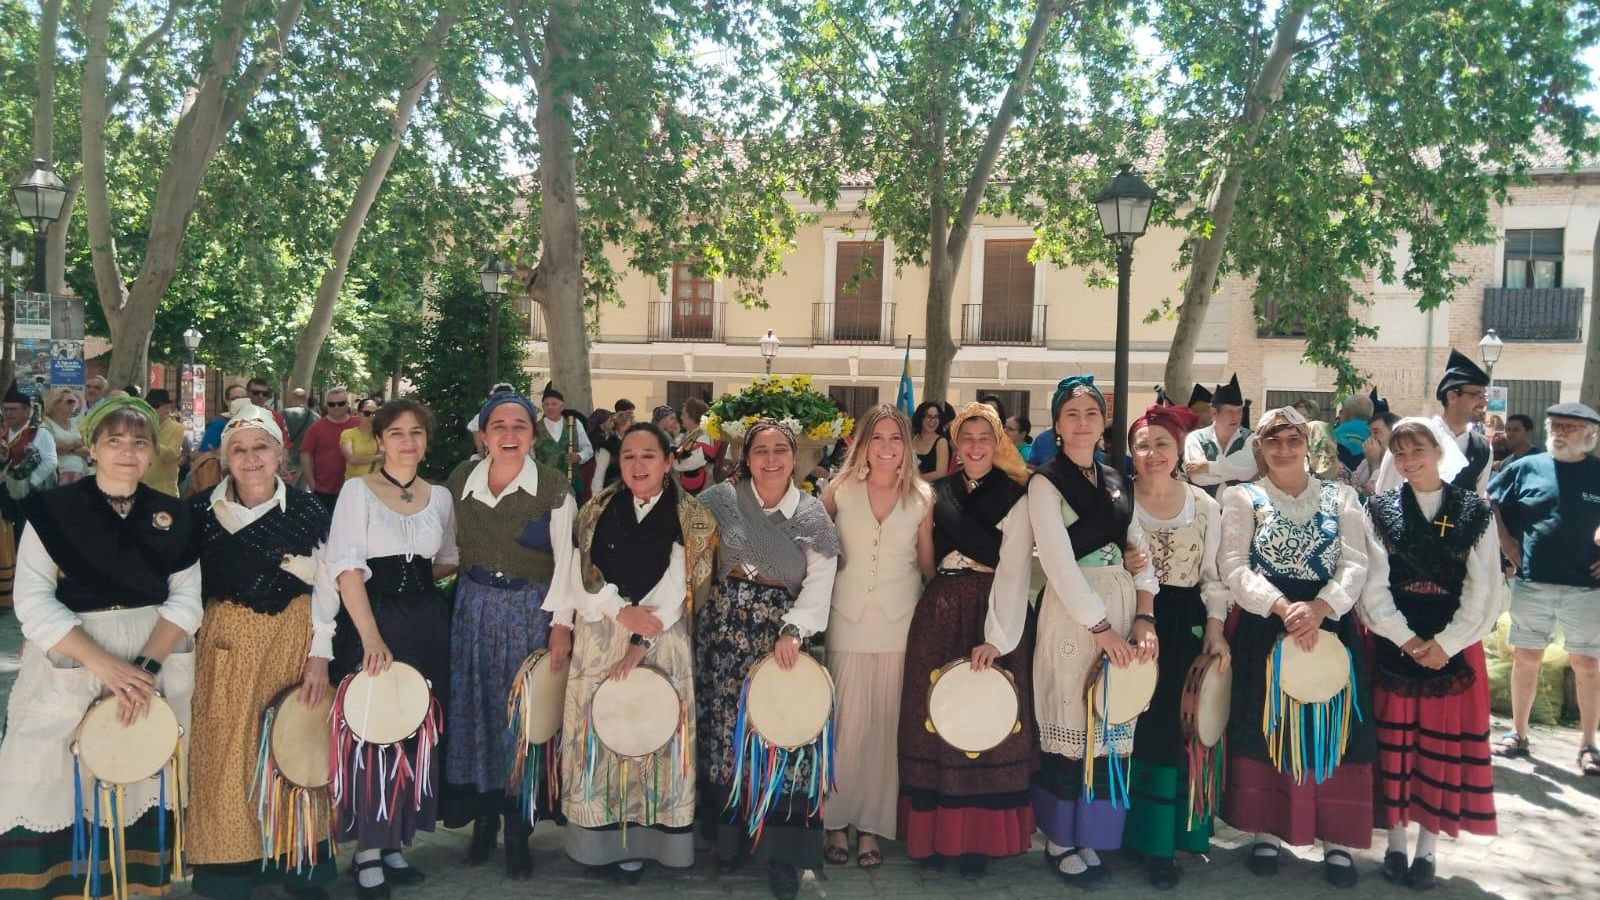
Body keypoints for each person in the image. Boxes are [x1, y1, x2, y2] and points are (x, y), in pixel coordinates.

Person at [0, 396, 200, 898]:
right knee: (48, 776)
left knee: (139, 775)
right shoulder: (52, 510)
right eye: (114, 440)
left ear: (153, 451)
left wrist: (144, 669)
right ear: (91, 447)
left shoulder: (174, 516)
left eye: (139, 441)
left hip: (151, 665)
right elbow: (32, 600)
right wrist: (107, 667)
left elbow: (186, 602)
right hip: (73, 659)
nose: (127, 452)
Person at [548, 423, 716, 881]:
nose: (637, 465)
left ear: (667, 462)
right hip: (601, 635)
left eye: (648, 456)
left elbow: (682, 582)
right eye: (628, 456)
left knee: (652, 733)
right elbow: (577, 572)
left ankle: (649, 842)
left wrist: (642, 639)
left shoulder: (693, 517)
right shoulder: (594, 510)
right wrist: (616, 613)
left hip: (663, 637)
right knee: (600, 733)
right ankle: (598, 838)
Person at [185, 404, 341, 899]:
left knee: (293, 745)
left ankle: (299, 862)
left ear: (280, 452)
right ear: (226, 457)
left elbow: (328, 589)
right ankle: (227, 868)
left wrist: (320, 654)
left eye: (260, 447)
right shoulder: (200, 513)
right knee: (226, 752)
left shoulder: (310, 509)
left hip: (293, 641)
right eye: (239, 449)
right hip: (226, 642)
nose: (251, 458)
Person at [1218, 406, 1374, 888]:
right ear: (1259, 448)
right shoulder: (1242, 497)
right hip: (1269, 625)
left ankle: (1337, 839)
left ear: (1308, 443)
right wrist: (1285, 608)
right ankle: (1267, 828)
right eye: (1273, 440)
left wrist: (1323, 609)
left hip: (1329, 624)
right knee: (1267, 724)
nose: (1283, 448)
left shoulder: (1341, 495)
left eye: (1292, 439)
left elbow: (1355, 561)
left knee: (1332, 727)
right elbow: (1233, 565)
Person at [695, 420, 841, 900]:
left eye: (781, 450)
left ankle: (783, 856)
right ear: (747, 454)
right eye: (761, 450)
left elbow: (820, 582)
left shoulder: (812, 514)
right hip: (723, 633)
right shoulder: (719, 500)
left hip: (780, 637)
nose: (771, 458)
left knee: (782, 741)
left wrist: (796, 629)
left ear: (794, 457)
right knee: (727, 738)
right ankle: (731, 839)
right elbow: (693, 556)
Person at [325, 398, 459, 897]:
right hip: (373, 620)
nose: (408, 441)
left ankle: (397, 839)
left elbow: (446, 559)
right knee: (370, 729)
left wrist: (418, 583)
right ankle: (366, 848)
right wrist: (371, 635)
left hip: (426, 621)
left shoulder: (441, 496)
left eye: (416, 432)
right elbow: (345, 567)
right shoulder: (357, 491)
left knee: (414, 728)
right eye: (397, 433)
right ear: (379, 440)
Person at [896, 402, 1036, 877]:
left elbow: (1016, 567)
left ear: (998, 442)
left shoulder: (1016, 495)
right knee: (937, 715)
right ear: (955, 443)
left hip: (995, 610)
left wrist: (996, 638)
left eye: (984, 437)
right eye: (967, 437)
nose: (975, 446)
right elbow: (927, 556)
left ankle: (977, 840)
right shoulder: (938, 493)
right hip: (942, 609)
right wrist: (942, 593)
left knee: (988, 720)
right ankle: (937, 835)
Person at [1029, 375, 1159, 883]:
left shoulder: (1117, 480)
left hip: (1123, 607)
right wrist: (1100, 628)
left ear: (1104, 421)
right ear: (1057, 425)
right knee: (1072, 716)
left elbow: (1140, 552)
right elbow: (1059, 564)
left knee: (1111, 719)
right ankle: (1060, 838)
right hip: (1073, 609)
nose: (1082, 422)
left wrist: (1144, 616)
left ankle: (1095, 833)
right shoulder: (1045, 482)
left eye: (1091, 413)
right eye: (1071, 414)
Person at [1359, 418, 1499, 890]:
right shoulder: (1379, 510)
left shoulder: (1475, 511)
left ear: (1438, 451)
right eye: (1400, 453)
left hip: (1450, 648)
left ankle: (1428, 849)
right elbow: (1373, 584)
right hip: (1398, 643)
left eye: (1418, 449)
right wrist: (1404, 638)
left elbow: (1485, 587)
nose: (1409, 460)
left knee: (1436, 751)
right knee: (1397, 749)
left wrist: (1448, 643)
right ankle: (1396, 845)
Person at [440, 392, 576, 877]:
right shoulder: (461, 481)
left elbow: (568, 563)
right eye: (499, 425)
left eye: (520, 425)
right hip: (473, 612)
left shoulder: (554, 487)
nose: (509, 434)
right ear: (483, 435)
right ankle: (482, 822)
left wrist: (561, 626)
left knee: (521, 723)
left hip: (528, 615)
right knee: (476, 715)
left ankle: (519, 832)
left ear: (534, 435)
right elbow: (448, 547)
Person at [820, 406, 935, 869]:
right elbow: (812, 550)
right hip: (845, 619)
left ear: (906, 445)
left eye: (895, 438)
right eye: (877, 437)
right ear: (862, 443)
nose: (886, 446)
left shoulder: (923, 497)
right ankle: (834, 822)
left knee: (884, 729)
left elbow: (927, 566)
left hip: (899, 623)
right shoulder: (839, 491)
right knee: (845, 724)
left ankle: (871, 827)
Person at [1122, 404, 1231, 889]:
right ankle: (1126, 833)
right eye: (1142, 445)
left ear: (1179, 448)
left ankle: (1164, 843)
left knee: (1173, 729)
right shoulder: (1118, 500)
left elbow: (1214, 577)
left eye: (1162, 444)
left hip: (1182, 622)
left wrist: (1214, 627)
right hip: (1130, 620)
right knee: (1130, 726)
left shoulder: (1204, 506)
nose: (1152, 454)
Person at [1489, 402, 1600, 774]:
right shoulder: (1524, 467)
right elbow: (1492, 502)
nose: (1561, 431)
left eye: (1570, 426)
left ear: (1589, 434)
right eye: (1556, 425)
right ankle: (1518, 735)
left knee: (1587, 664)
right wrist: (1505, 542)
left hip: (1587, 586)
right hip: (1532, 581)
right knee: (1527, 658)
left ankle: (1588, 744)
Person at [1376, 350, 1493, 495]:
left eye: (1485, 395)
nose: (1484, 402)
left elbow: (1479, 499)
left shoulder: (1483, 448)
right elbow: (1385, 493)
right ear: (1452, 396)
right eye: (1477, 395)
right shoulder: (1413, 434)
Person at [1, 382, 58, 545]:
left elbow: (51, 462)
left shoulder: (39, 432)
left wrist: (28, 483)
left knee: (27, 537)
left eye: (13, 409)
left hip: (30, 496)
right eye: (5, 409)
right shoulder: (3, 431)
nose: (8, 413)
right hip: (5, 495)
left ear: (27, 409)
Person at [1183, 373, 1255, 496]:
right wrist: (1235, 470)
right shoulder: (1195, 438)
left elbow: (1249, 471)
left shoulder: (1250, 438)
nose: (1236, 417)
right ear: (1214, 413)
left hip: (1241, 511)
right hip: (1202, 511)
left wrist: (1209, 467)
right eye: (1230, 411)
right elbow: (1198, 478)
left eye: (1239, 411)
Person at [300, 387, 359, 511]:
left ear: (347, 404)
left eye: (341, 403)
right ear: (327, 406)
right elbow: (306, 455)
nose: (336, 407)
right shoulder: (316, 428)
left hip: (354, 488)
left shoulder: (358, 425)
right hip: (323, 490)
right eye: (332, 404)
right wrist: (312, 485)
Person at [534, 383, 592, 497]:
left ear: (562, 406)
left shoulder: (574, 424)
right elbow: (530, 456)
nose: (550, 407)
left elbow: (588, 449)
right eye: (546, 404)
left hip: (572, 483)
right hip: (545, 486)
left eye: (554, 404)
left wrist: (579, 456)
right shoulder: (535, 428)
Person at [140, 389, 184, 497]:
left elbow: (172, 456)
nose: (168, 410)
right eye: (164, 407)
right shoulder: (140, 426)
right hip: (141, 488)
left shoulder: (177, 428)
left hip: (165, 491)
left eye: (168, 407)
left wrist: (153, 443)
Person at [674, 396, 720, 494]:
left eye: (684, 414)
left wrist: (672, 464)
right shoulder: (691, 434)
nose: (681, 417)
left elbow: (695, 462)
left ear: (693, 416)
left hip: (701, 490)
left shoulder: (704, 435)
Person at [40, 387, 86, 486]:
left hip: (80, 475)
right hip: (57, 476)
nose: (73, 404)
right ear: (56, 403)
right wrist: (76, 444)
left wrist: (67, 449)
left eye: (74, 401)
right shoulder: (46, 422)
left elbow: (88, 448)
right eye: (70, 401)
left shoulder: (76, 422)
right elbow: (53, 446)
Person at [589, 399, 634, 497]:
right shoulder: (607, 448)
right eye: (629, 422)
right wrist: (596, 501)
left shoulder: (626, 444)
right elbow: (598, 479)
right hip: (611, 493)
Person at [283, 388, 320, 488]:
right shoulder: (315, 416)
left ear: (293, 398)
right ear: (305, 399)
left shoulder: (284, 414)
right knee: (301, 492)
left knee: (287, 493)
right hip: (307, 462)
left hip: (289, 461)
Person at [199, 383, 252, 453]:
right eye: (236, 398)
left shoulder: (253, 421)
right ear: (227, 401)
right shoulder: (218, 424)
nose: (240, 402)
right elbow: (204, 451)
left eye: (244, 398)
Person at [340, 397, 384, 479]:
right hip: (355, 482)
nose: (371, 416)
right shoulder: (348, 434)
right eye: (367, 413)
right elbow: (351, 459)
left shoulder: (382, 434)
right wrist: (378, 457)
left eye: (375, 413)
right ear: (358, 414)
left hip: (377, 483)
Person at [911, 401, 950, 480]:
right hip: (911, 490)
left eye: (936, 417)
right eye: (929, 416)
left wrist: (913, 479)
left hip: (932, 490)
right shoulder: (913, 439)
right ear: (920, 418)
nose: (933, 420)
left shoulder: (941, 442)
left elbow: (941, 474)